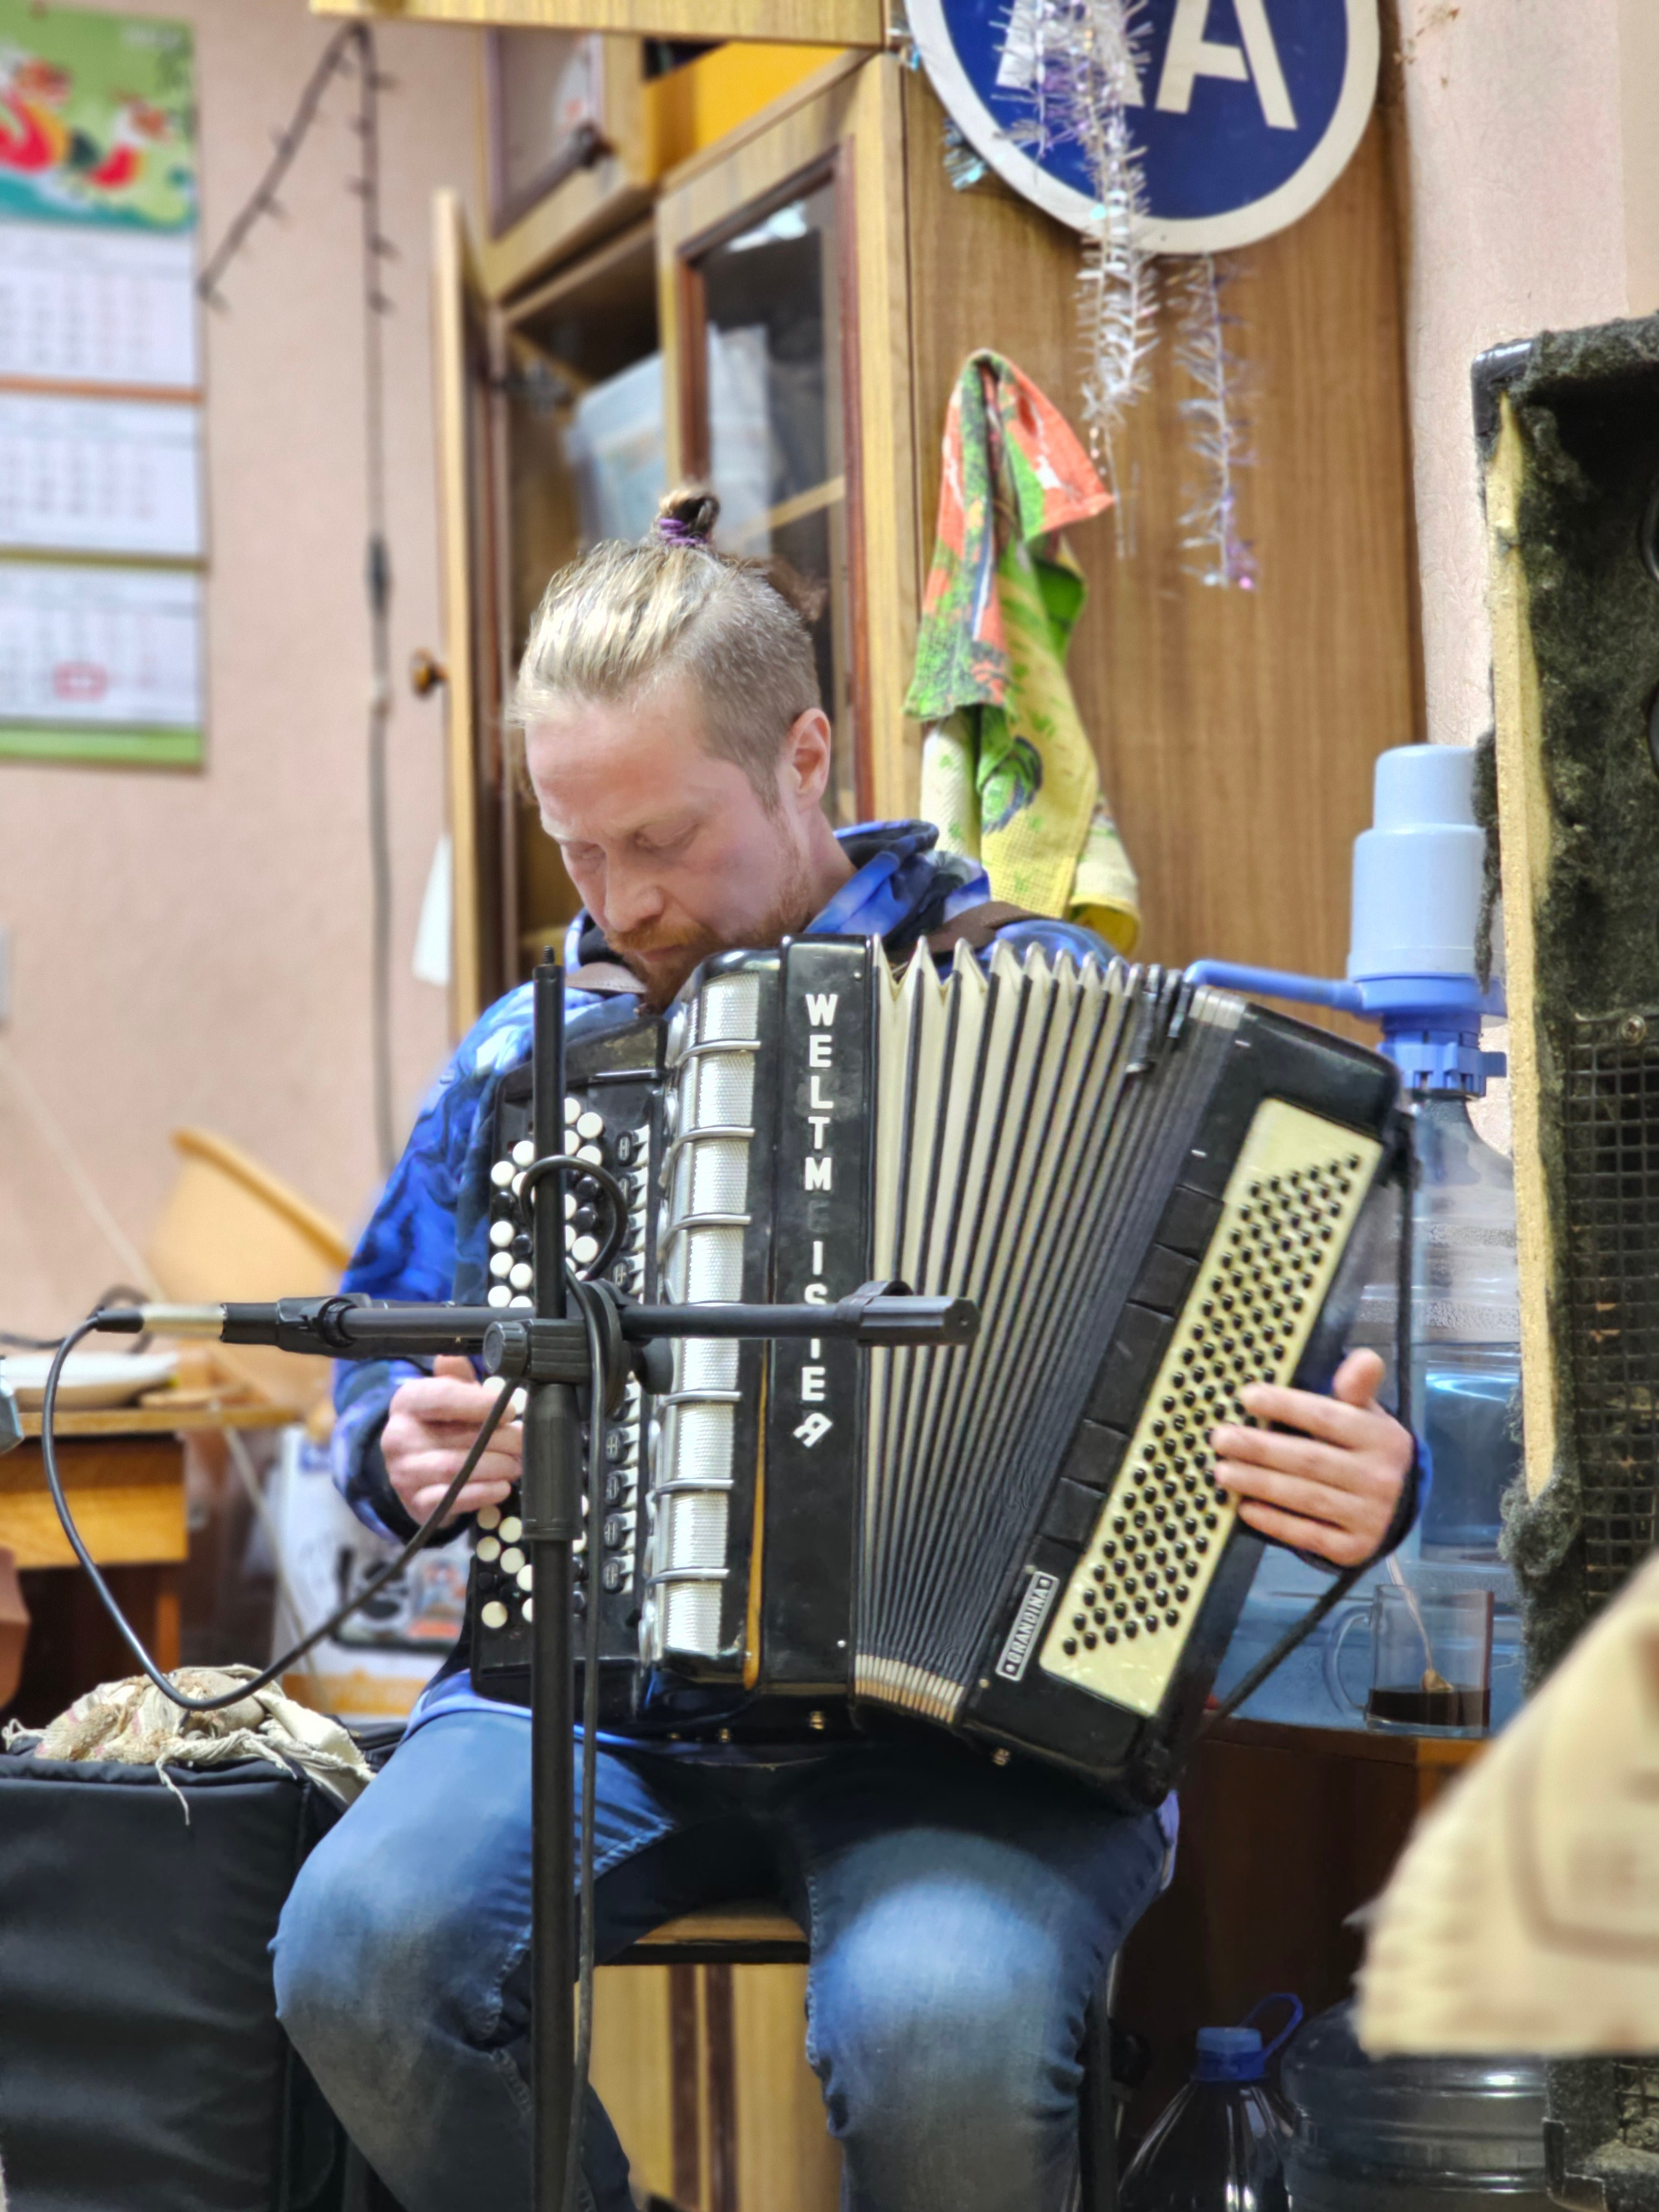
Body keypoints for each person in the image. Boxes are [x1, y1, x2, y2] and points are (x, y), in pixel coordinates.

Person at [273, 490, 1416, 2212]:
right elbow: (384, 1346)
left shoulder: (1043, 1006)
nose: (621, 902)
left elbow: (1300, 1392)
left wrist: (1365, 1490)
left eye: (662, 840)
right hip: (591, 1711)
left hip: (980, 1738)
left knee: (941, 2030)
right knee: (352, 1953)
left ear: (807, 755)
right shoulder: (529, 1052)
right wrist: (398, 1441)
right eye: (577, 850)